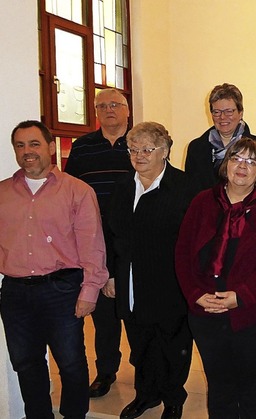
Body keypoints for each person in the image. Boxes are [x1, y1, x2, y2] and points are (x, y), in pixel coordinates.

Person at [0, 120, 108, 418]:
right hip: (15, 293)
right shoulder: (2, 193)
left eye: (34, 144)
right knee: (25, 362)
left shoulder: (78, 191)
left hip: (61, 289)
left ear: (50, 147)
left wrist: (90, 291)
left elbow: (92, 246)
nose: (27, 152)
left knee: (71, 362)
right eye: (20, 146)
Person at [176, 137, 256, 418]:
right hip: (207, 310)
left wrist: (241, 296)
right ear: (226, 164)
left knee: (253, 386)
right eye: (237, 158)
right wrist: (195, 294)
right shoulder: (203, 201)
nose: (243, 166)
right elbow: (182, 253)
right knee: (219, 386)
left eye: (252, 162)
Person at [107, 122, 195, 419]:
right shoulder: (122, 188)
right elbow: (111, 235)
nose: (139, 155)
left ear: (166, 150)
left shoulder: (184, 187)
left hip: (170, 282)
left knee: (173, 343)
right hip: (131, 280)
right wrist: (110, 274)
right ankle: (146, 395)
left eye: (147, 149)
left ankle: (173, 397)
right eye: (134, 149)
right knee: (140, 343)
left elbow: (194, 239)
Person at [64, 87, 132, 398]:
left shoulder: (140, 143)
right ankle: (106, 370)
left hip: (133, 237)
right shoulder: (82, 148)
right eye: (102, 105)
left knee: (135, 308)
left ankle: (145, 367)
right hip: (95, 239)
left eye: (115, 104)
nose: (109, 110)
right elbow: (70, 192)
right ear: (95, 112)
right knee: (103, 314)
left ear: (127, 110)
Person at [185, 83, 256, 192]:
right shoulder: (196, 148)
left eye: (229, 111)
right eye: (217, 112)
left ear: (240, 113)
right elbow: (191, 191)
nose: (222, 117)